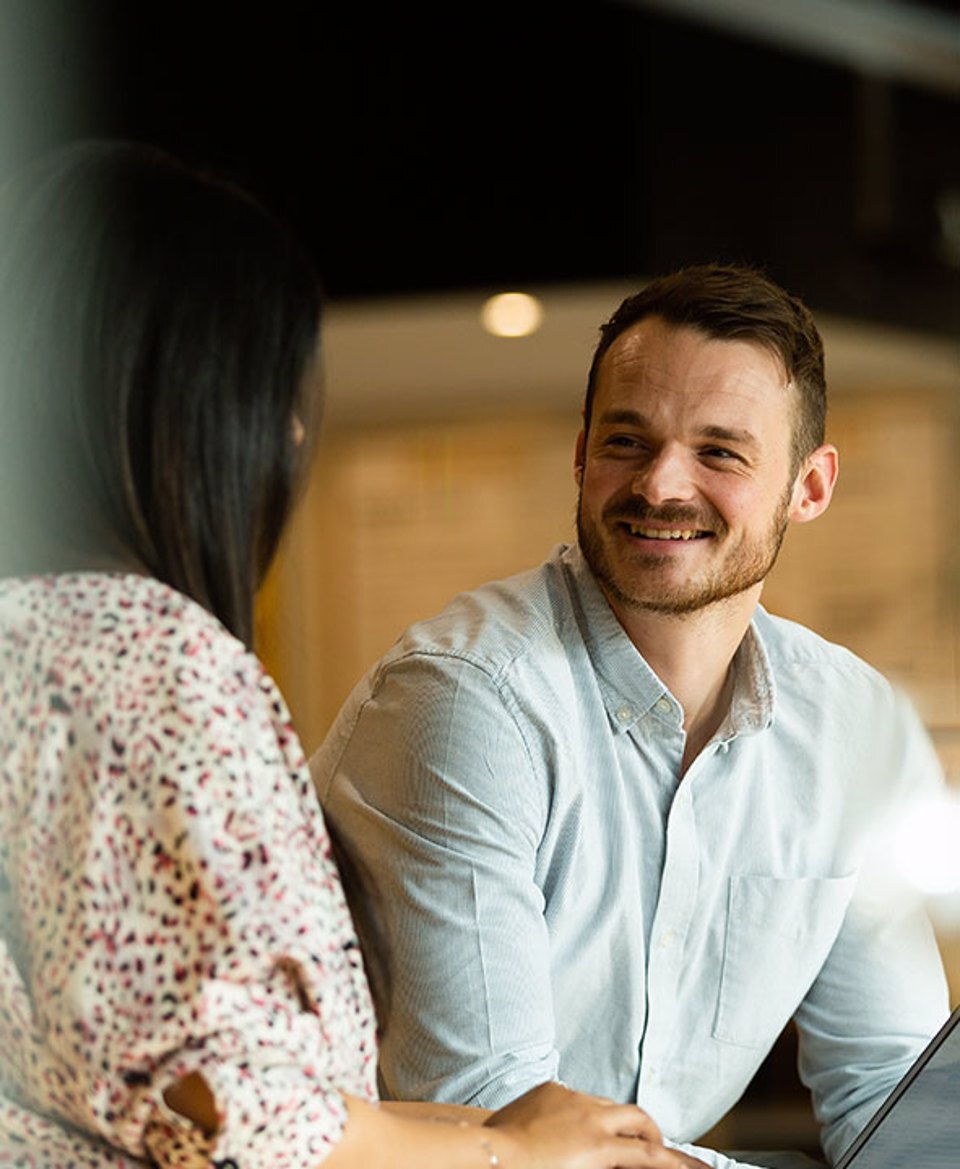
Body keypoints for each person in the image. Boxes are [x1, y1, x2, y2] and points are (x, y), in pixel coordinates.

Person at [0, 141, 689, 1169]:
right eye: (268, 390)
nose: (284, 431)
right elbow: (235, 1110)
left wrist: (482, 1131)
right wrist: (507, 1154)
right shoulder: (160, 659)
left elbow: (116, 1068)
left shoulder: (29, 645)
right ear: (175, 404)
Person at [312, 265, 951, 1169]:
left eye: (720, 452)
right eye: (627, 439)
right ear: (580, 454)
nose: (661, 485)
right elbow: (499, 1127)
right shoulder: (464, 698)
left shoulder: (846, 724)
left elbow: (899, 1099)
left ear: (810, 486)